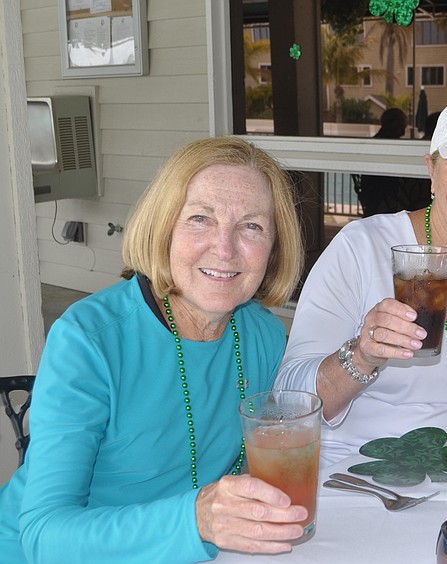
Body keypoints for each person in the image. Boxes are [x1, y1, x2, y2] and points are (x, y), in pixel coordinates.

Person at [0, 137, 307, 562]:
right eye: (200, 218)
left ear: (274, 247)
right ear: (163, 227)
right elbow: (43, 537)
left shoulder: (263, 336)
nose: (224, 248)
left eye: (251, 226)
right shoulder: (87, 340)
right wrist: (196, 520)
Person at [277, 96, 447, 465]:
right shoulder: (362, 248)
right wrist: (362, 355)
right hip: (355, 471)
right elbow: (289, 399)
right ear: (431, 170)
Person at [355, 108, 430, 216]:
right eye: (401, 127)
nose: (403, 132)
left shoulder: (374, 144)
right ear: (391, 124)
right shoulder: (383, 148)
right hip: (382, 200)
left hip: (374, 199)